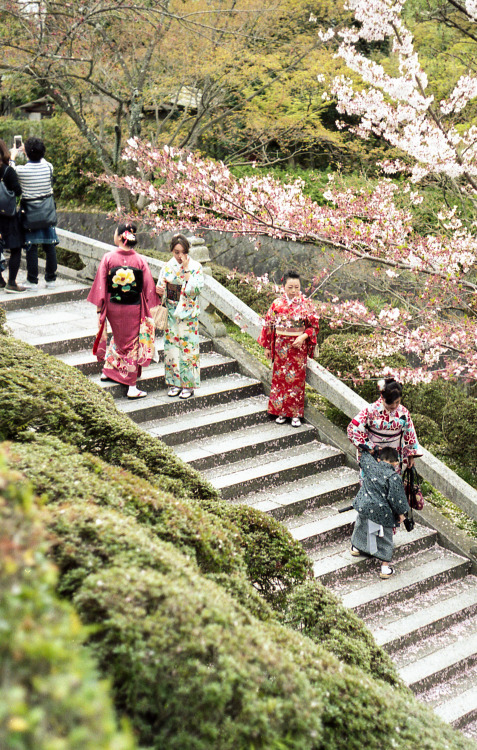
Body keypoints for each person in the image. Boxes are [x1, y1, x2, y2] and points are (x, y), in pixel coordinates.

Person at [87, 222, 159, 399]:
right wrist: (153, 303)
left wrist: (100, 308)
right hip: (133, 306)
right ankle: (131, 386)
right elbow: (148, 286)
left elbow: (101, 285)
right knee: (131, 343)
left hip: (114, 305)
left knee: (119, 339)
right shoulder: (140, 260)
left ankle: (109, 371)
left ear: (120, 237)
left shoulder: (108, 258)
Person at [258, 270, 320, 427]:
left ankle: (295, 414)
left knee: (296, 381)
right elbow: (269, 325)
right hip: (280, 347)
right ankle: (281, 412)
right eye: (290, 287)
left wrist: (303, 337)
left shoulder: (306, 304)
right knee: (279, 379)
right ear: (283, 286)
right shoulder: (277, 304)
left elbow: (313, 326)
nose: (293, 291)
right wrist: (267, 346)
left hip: (298, 348)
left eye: (297, 287)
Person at [350, 446, 410, 579]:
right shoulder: (394, 478)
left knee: (360, 526)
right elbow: (397, 500)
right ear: (396, 463)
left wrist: (371, 450)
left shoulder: (371, 466)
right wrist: (401, 515)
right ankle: (384, 568)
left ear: (378, 459)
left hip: (364, 504)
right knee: (386, 538)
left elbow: (364, 456)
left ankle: (356, 548)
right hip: (383, 512)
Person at [156, 234, 204, 399]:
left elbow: (196, 289)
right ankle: (174, 383)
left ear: (187, 251)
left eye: (183, 252)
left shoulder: (195, 266)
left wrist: (187, 274)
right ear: (171, 251)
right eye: (176, 252)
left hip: (187, 314)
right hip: (171, 310)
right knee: (172, 349)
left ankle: (188, 385)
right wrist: (160, 290)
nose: (179, 256)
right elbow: (161, 284)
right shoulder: (168, 266)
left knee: (188, 349)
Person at [10, 136, 58, 291]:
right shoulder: (49, 167)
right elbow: (41, 160)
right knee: (49, 245)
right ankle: (51, 280)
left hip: (30, 212)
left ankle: (33, 281)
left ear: (27, 154)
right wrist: (31, 151)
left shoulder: (21, 171)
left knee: (31, 246)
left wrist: (13, 155)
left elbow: (10, 171)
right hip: (47, 211)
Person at [347, 377, 422, 469]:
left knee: (393, 480)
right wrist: (369, 446)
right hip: (373, 453)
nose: (394, 406)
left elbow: (409, 433)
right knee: (372, 480)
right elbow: (353, 429)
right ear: (382, 397)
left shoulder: (403, 412)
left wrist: (410, 455)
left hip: (393, 455)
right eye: (390, 403)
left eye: (397, 402)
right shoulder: (370, 410)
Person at [0, 139, 25, 293]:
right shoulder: (7, 170)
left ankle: (0, 280)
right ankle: (11, 282)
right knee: (15, 248)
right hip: (7, 216)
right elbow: (17, 190)